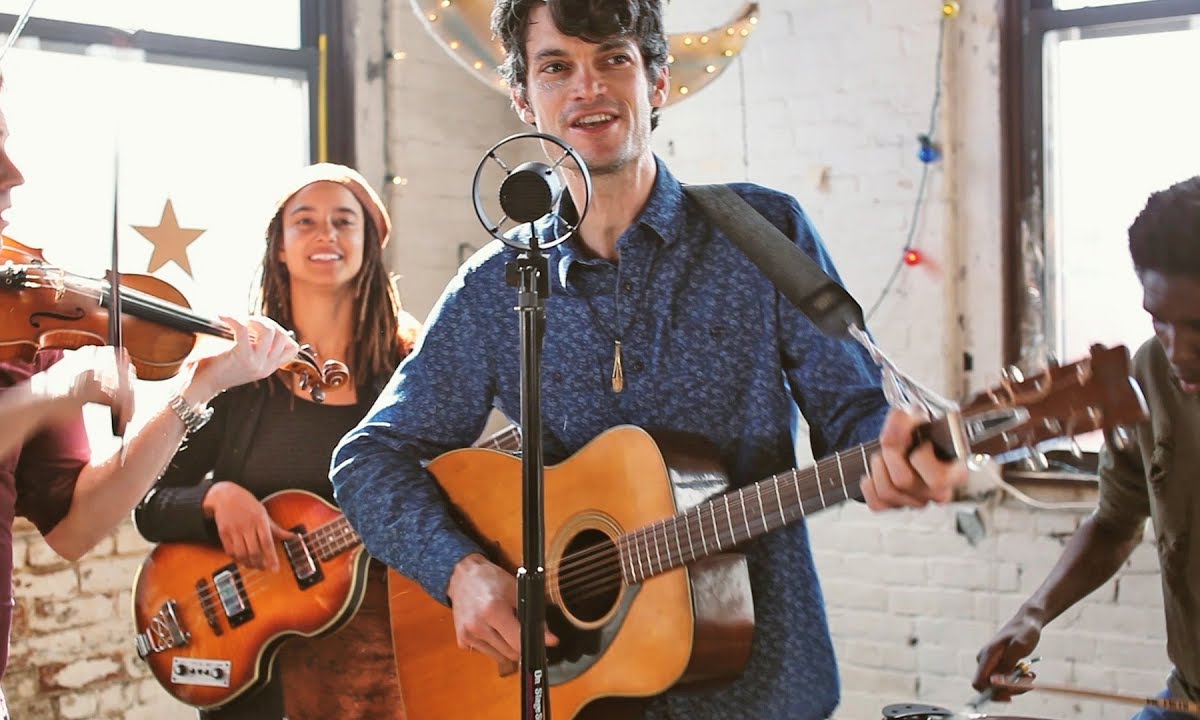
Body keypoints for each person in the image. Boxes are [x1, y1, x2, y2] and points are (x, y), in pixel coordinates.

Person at [329, 1, 968, 718]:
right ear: (522, 98)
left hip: (761, 685)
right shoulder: (496, 286)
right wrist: (461, 571)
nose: (587, 87)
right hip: (575, 691)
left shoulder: (761, 232)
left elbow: (853, 410)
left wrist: (893, 453)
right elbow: (367, 461)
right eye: (556, 67)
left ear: (658, 81)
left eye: (614, 59)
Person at [0, 45, 300, 720]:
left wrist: (196, 391)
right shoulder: (32, 381)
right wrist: (43, 400)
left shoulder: (11, 332)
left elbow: (74, 523)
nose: (16, 175)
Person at [134, 163, 419, 720]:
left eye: (344, 222)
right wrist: (215, 500)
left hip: (377, 665)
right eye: (305, 221)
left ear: (369, 245)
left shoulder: (409, 372)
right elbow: (148, 504)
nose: (326, 235)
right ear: (280, 247)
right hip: (252, 661)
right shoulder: (238, 373)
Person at [973, 176, 1200, 719]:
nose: (1180, 352)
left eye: (1199, 327)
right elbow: (1117, 521)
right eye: (1159, 321)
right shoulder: (1148, 371)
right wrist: (1032, 613)